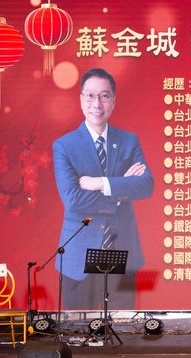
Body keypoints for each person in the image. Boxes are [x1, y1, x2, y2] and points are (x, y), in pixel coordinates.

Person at [52, 68, 154, 310]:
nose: (97, 103)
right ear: (81, 99)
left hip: (122, 251)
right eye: (90, 96)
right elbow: (73, 200)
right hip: (79, 256)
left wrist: (100, 183)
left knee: (123, 326)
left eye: (104, 96)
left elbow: (145, 186)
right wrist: (120, 189)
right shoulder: (64, 145)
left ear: (113, 101)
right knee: (77, 327)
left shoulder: (129, 141)